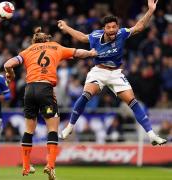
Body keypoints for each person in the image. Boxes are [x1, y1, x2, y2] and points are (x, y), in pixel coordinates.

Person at [58, 0, 167, 145]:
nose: (112, 30)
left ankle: (152, 135)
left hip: (116, 73)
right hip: (99, 71)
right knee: (86, 95)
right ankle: (70, 127)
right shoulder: (96, 36)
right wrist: (66, 28)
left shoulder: (122, 33)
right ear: (104, 29)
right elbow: (82, 37)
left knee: (133, 101)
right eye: (108, 27)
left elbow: (139, 27)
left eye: (114, 27)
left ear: (117, 27)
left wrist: (151, 10)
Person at [4, 27, 97, 180]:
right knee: (52, 128)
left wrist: (10, 74)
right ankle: (51, 166)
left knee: (29, 130)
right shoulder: (55, 47)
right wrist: (91, 53)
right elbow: (78, 53)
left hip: (29, 90)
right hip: (45, 89)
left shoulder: (27, 51)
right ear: (46, 40)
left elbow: (8, 64)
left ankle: (26, 166)